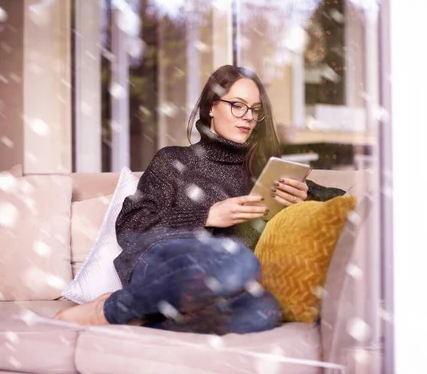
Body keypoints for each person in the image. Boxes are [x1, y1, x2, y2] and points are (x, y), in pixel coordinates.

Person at [55, 65, 310, 334]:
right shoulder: (173, 160)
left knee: (264, 310)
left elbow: (342, 200)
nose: (247, 117)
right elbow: (131, 225)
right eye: (238, 105)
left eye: (255, 110)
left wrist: (304, 198)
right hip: (165, 264)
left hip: (217, 288)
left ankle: (143, 316)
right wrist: (207, 216)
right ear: (212, 106)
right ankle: (109, 309)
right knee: (239, 260)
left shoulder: (262, 173)